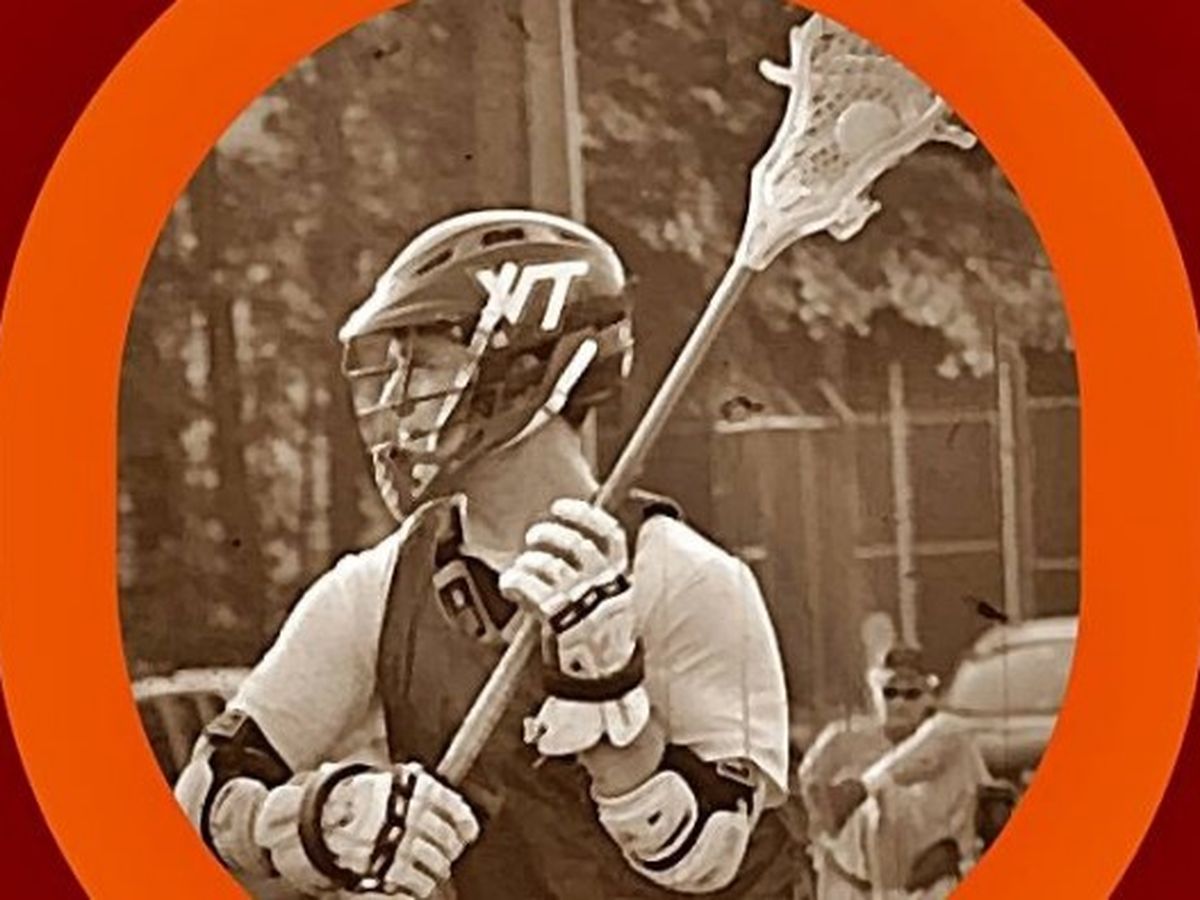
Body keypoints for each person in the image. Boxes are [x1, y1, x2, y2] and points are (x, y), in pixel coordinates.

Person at [174, 209, 798, 898]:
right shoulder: (377, 588)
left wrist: (611, 709)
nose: (395, 399)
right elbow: (203, 793)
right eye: (395, 369)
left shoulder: (689, 578)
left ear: (528, 369)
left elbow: (715, 854)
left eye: (424, 367)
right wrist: (323, 819)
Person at [797, 647, 1001, 899]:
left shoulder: (952, 744)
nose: (899, 704)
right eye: (890, 693)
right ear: (874, 693)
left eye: (912, 694)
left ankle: (862, 789)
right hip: (856, 882)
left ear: (929, 698)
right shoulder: (841, 742)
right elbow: (807, 800)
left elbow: (987, 810)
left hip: (931, 882)